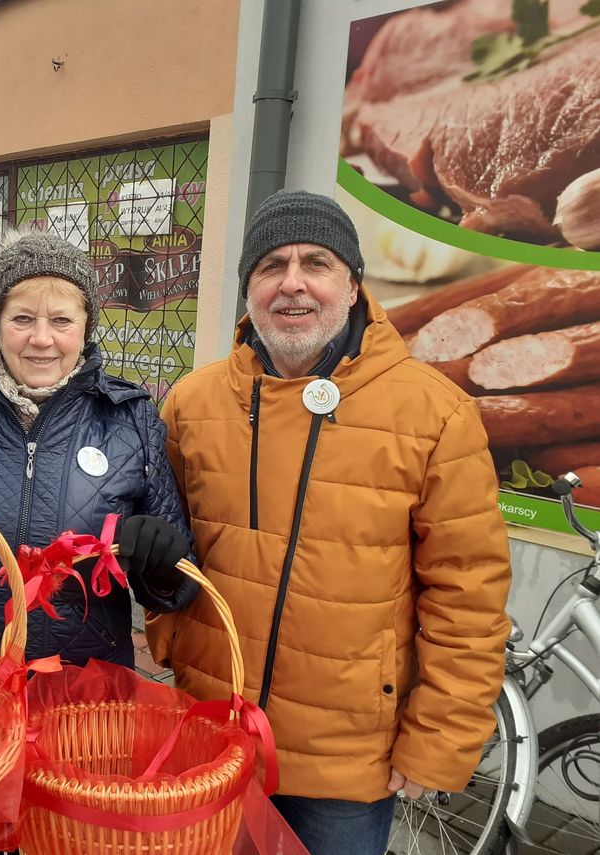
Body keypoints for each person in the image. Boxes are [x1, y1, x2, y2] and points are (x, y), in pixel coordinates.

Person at [147, 190, 511, 855]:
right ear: (248, 289)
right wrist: (169, 636)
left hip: (347, 764)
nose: (292, 282)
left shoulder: (435, 415)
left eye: (315, 262)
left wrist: (437, 741)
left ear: (351, 286)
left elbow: (470, 599)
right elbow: (166, 544)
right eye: (271, 266)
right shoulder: (192, 404)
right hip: (209, 730)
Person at [0, 230, 197, 672]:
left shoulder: (131, 420)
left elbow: (177, 584)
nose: (41, 339)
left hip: (82, 693)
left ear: (85, 327)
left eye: (61, 321)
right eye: (22, 319)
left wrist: (163, 563)